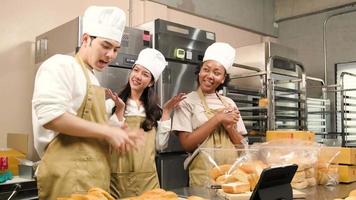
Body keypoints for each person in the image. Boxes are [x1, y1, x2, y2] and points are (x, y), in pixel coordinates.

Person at [32, 6, 144, 200]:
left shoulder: (92, 78)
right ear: (86, 39)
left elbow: (90, 128)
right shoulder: (62, 65)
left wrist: (116, 132)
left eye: (116, 49)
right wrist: (108, 131)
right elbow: (52, 117)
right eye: (106, 46)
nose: (110, 55)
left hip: (95, 177)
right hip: (68, 177)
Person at [106, 48, 185, 198]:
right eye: (136, 70)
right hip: (118, 181)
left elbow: (160, 146)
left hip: (148, 180)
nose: (137, 76)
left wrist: (166, 112)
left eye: (145, 74)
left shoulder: (155, 111)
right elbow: (111, 141)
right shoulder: (111, 105)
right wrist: (119, 111)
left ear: (151, 82)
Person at [171, 42, 248, 186]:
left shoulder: (229, 103)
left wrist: (230, 127)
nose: (210, 76)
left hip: (232, 176)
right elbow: (187, 144)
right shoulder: (186, 102)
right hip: (203, 178)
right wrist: (218, 118)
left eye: (217, 73)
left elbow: (242, 148)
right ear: (199, 71)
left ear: (223, 78)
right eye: (206, 70)